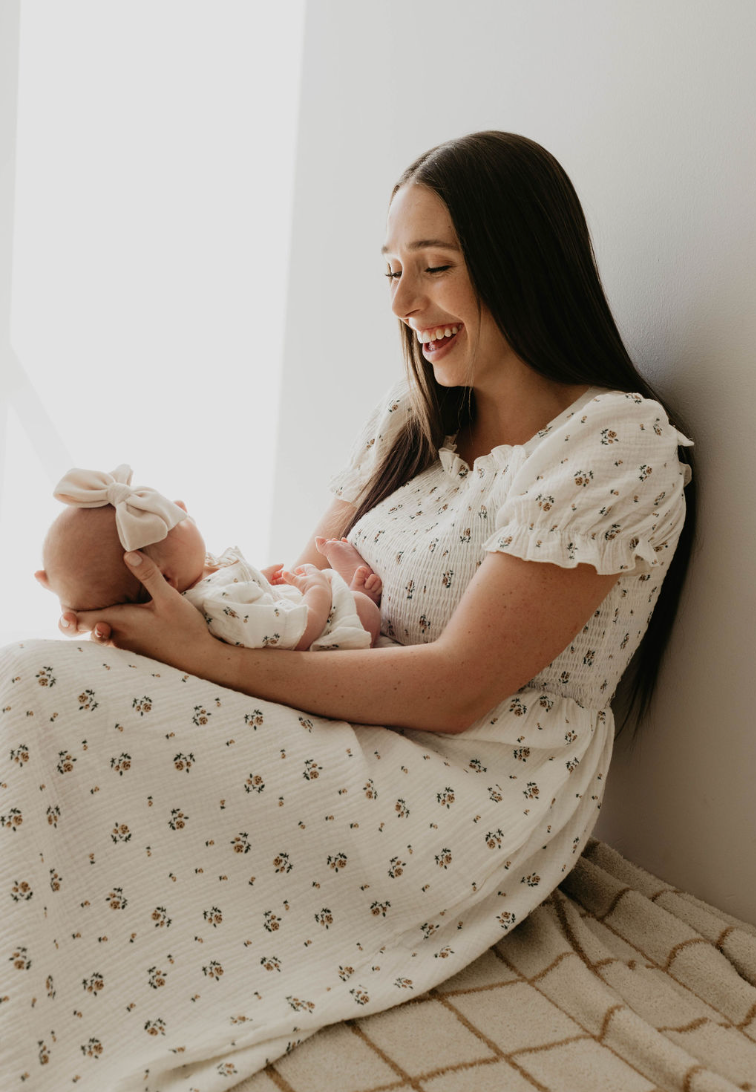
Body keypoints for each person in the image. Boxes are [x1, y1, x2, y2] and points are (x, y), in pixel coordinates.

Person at [0, 131, 695, 1090]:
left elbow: (457, 689)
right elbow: (295, 586)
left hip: (462, 784)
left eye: (435, 268)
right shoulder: (410, 421)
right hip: (338, 717)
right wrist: (165, 611)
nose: (405, 305)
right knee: (54, 682)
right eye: (393, 272)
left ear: (524, 261)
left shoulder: (610, 445)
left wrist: (211, 661)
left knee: (37, 694)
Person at [35, 464, 383, 650]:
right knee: (363, 613)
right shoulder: (219, 605)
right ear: (165, 579)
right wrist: (317, 591)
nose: (183, 506)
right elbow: (301, 633)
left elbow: (245, 599)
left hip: (275, 609)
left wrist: (258, 580)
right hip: (318, 635)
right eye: (177, 519)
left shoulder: (197, 583)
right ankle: (357, 590)